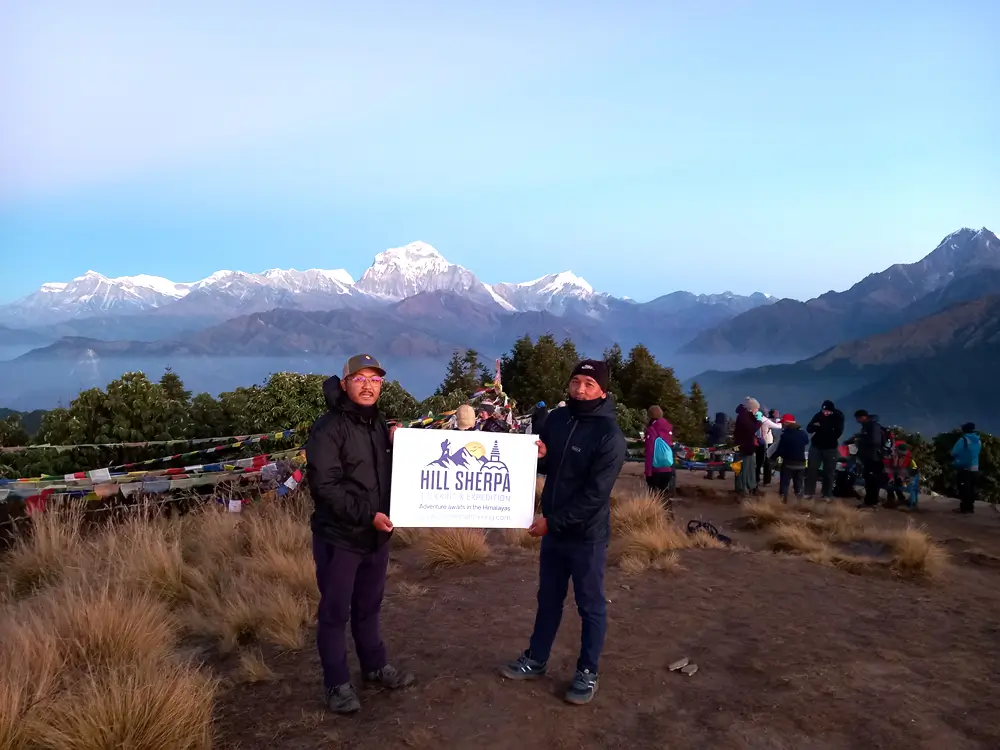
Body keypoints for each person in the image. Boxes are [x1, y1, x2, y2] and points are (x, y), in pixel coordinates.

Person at [500, 359, 627, 706]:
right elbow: (550, 465)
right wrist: (540, 457)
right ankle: (536, 658)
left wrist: (551, 523)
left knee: (590, 605)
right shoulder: (558, 419)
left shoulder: (610, 436)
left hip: (586, 536)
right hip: (554, 533)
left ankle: (587, 671)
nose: (580, 389)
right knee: (549, 599)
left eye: (589, 384)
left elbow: (595, 496)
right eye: (575, 382)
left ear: (603, 391)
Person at [306, 354, 415, 714]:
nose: (368, 386)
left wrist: (401, 446)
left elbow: (385, 474)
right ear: (344, 384)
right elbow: (325, 487)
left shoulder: (378, 425)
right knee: (335, 612)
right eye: (360, 378)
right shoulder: (328, 428)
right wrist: (368, 516)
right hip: (340, 538)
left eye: (375, 379)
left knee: (369, 606)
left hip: (375, 537)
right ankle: (337, 684)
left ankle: (374, 666)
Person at [804, 400, 845, 499]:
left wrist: (821, 426)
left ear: (832, 410)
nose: (825, 413)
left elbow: (838, 432)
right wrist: (816, 427)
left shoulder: (838, 417)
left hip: (830, 447)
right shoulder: (818, 415)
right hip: (816, 446)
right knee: (811, 469)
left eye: (827, 411)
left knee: (829, 472)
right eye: (824, 411)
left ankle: (827, 494)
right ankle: (809, 492)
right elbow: (809, 428)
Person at [845, 410, 885, 508]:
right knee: (869, 480)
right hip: (869, 458)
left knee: (872, 480)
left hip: (874, 458)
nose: (857, 421)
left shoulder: (873, 426)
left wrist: (860, 441)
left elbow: (875, 441)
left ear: (863, 417)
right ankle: (869, 502)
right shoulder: (867, 426)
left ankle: (872, 502)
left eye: (858, 418)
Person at [771, 414, 808, 502]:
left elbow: (780, 450)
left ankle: (783, 501)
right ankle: (800, 501)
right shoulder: (803, 434)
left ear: (786, 423)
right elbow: (806, 442)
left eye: (783, 423)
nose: (782, 425)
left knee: (785, 483)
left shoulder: (785, 435)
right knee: (799, 483)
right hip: (801, 464)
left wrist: (772, 459)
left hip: (789, 464)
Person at [644, 405, 674, 498]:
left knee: (652, 497)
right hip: (667, 468)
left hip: (655, 469)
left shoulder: (652, 430)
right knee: (663, 496)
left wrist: (648, 471)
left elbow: (650, 451)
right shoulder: (668, 429)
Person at [952, 422, 981, 514]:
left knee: (963, 488)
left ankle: (964, 508)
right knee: (971, 488)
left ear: (964, 430)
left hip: (964, 467)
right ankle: (970, 507)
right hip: (975, 468)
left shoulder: (963, 440)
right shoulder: (978, 440)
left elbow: (954, 452)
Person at [733, 399, 760, 497]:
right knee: (743, 469)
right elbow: (750, 429)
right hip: (744, 446)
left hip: (744, 446)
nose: (757, 411)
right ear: (752, 408)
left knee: (746, 468)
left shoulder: (744, 415)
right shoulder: (744, 417)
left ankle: (747, 487)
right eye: (756, 409)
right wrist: (758, 422)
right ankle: (742, 489)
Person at [754, 408, 782, 487]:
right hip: (767, 442)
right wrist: (777, 418)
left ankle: (756, 479)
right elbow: (779, 426)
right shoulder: (766, 421)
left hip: (758, 442)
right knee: (767, 462)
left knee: (758, 461)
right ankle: (766, 481)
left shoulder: (756, 419)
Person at [884, 441, 915, 508]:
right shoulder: (889, 454)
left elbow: (904, 466)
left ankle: (901, 498)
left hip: (899, 468)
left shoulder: (907, 455)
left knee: (899, 481)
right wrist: (890, 477)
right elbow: (887, 467)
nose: (903, 456)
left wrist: (901, 476)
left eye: (904, 455)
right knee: (889, 482)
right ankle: (890, 499)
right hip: (889, 467)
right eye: (901, 455)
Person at [706, 412, 729, 480]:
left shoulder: (717, 426)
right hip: (722, 444)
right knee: (720, 459)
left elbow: (708, 430)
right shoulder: (725, 426)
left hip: (714, 443)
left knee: (712, 459)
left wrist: (707, 422)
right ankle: (722, 474)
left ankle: (710, 475)